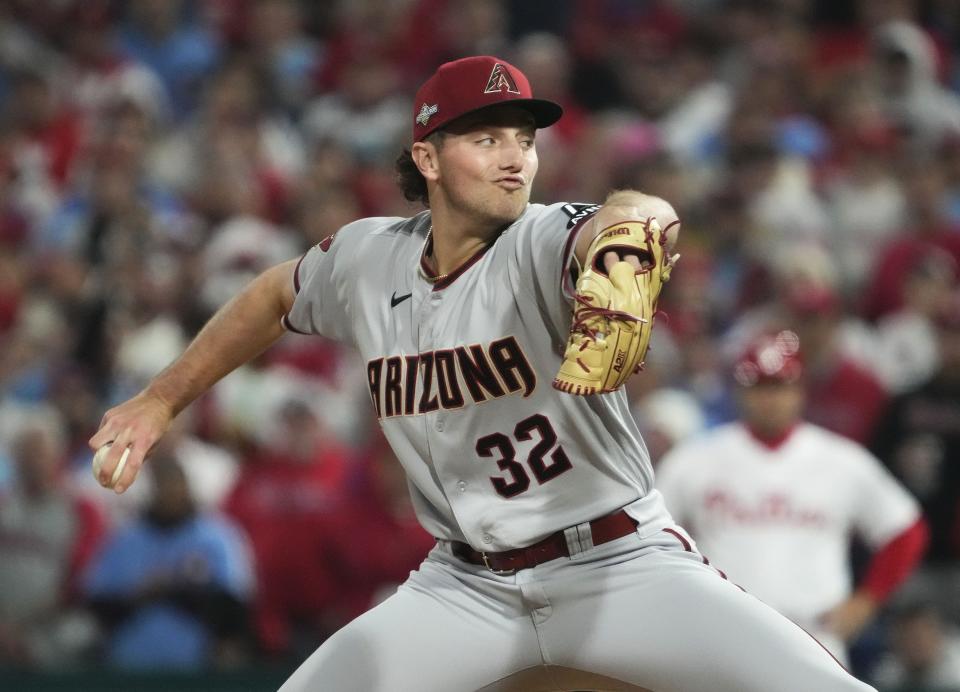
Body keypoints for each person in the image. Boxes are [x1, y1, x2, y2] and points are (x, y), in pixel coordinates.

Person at [89, 56, 876, 691]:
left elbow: (632, 213)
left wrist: (635, 231)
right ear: (427, 157)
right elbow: (270, 296)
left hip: (617, 565)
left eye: (524, 140)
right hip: (465, 587)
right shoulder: (368, 257)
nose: (515, 159)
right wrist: (161, 400)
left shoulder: (541, 241)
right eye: (488, 138)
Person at [656, 331, 928, 662]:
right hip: (724, 634)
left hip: (814, 636)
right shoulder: (695, 459)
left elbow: (905, 531)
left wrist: (866, 601)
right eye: (759, 386)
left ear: (800, 390)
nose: (770, 398)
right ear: (741, 391)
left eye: (779, 385)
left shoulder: (841, 460)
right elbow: (649, 536)